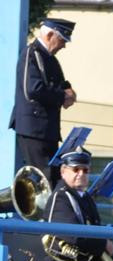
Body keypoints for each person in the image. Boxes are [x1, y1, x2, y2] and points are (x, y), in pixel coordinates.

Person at [9, 18, 77, 186]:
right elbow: (32, 89)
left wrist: (70, 92)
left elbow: (62, 84)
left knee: (54, 176)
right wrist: (62, 96)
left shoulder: (50, 59)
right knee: (46, 179)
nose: (64, 45)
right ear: (50, 35)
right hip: (34, 130)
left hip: (47, 130)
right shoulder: (31, 54)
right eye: (62, 40)